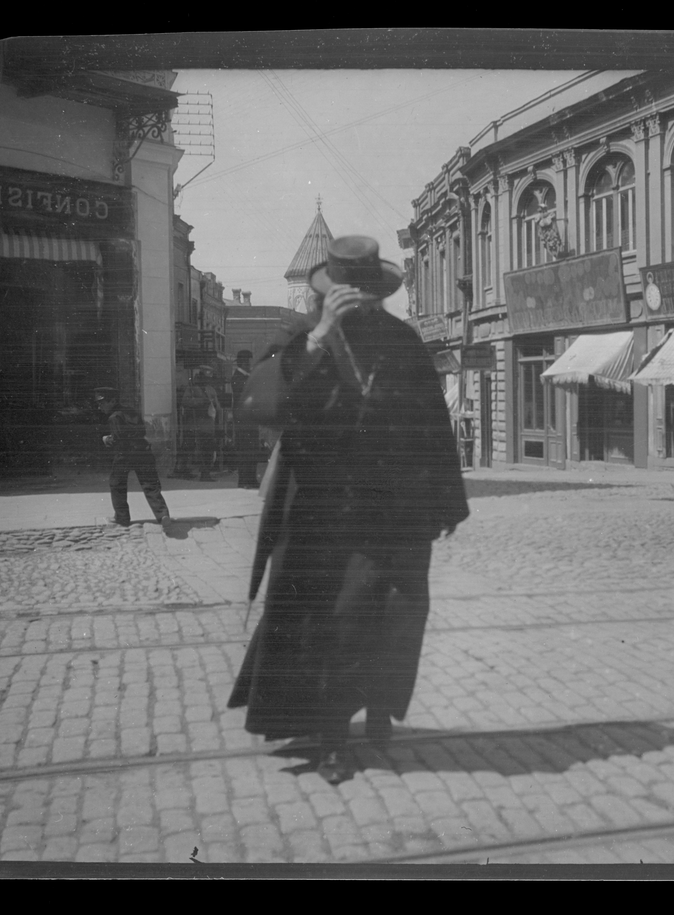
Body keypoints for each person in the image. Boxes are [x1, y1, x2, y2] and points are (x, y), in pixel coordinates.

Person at [227, 236, 469, 785]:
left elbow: (433, 425)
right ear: (327, 292)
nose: (359, 302)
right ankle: (333, 738)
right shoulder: (300, 337)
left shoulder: (403, 340)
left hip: (396, 509)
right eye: (347, 293)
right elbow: (262, 405)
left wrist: (446, 503)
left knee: (395, 616)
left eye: (367, 292)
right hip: (322, 510)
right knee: (330, 622)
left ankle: (378, 709)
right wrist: (319, 337)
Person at [94, 387, 171, 529]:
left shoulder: (114, 417)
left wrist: (107, 439)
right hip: (143, 452)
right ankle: (163, 515)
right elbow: (141, 431)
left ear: (113, 401)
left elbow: (119, 439)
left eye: (102, 403)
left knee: (117, 485)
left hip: (125, 455)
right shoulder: (131, 411)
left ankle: (122, 518)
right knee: (151, 485)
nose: (100, 407)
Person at [181, 367, 222, 481]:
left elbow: (218, 407)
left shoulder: (211, 389)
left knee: (208, 449)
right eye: (204, 377)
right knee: (196, 448)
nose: (206, 380)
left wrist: (214, 405)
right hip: (196, 423)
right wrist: (200, 402)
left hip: (208, 424)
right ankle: (185, 470)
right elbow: (185, 401)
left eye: (208, 378)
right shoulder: (192, 389)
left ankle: (206, 473)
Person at [230, 350, 261, 488]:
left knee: (252, 450)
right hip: (243, 421)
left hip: (251, 420)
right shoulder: (237, 378)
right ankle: (244, 480)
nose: (251, 364)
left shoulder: (246, 377)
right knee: (245, 450)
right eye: (249, 361)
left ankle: (251, 479)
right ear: (244, 362)